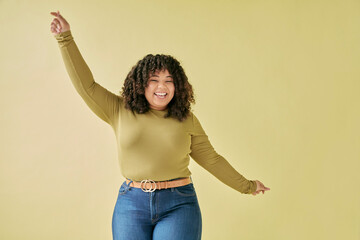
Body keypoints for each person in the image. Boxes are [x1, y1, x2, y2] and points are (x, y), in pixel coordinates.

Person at [50, 10, 270, 240]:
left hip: (179, 204)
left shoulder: (187, 120)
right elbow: (87, 86)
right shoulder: (119, 110)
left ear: (178, 87)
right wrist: (65, 38)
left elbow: (212, 159)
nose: (161, 87)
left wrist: (248, 186)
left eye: (168, 81)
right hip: (131, 204)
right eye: (153, 80)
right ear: (140, 84)